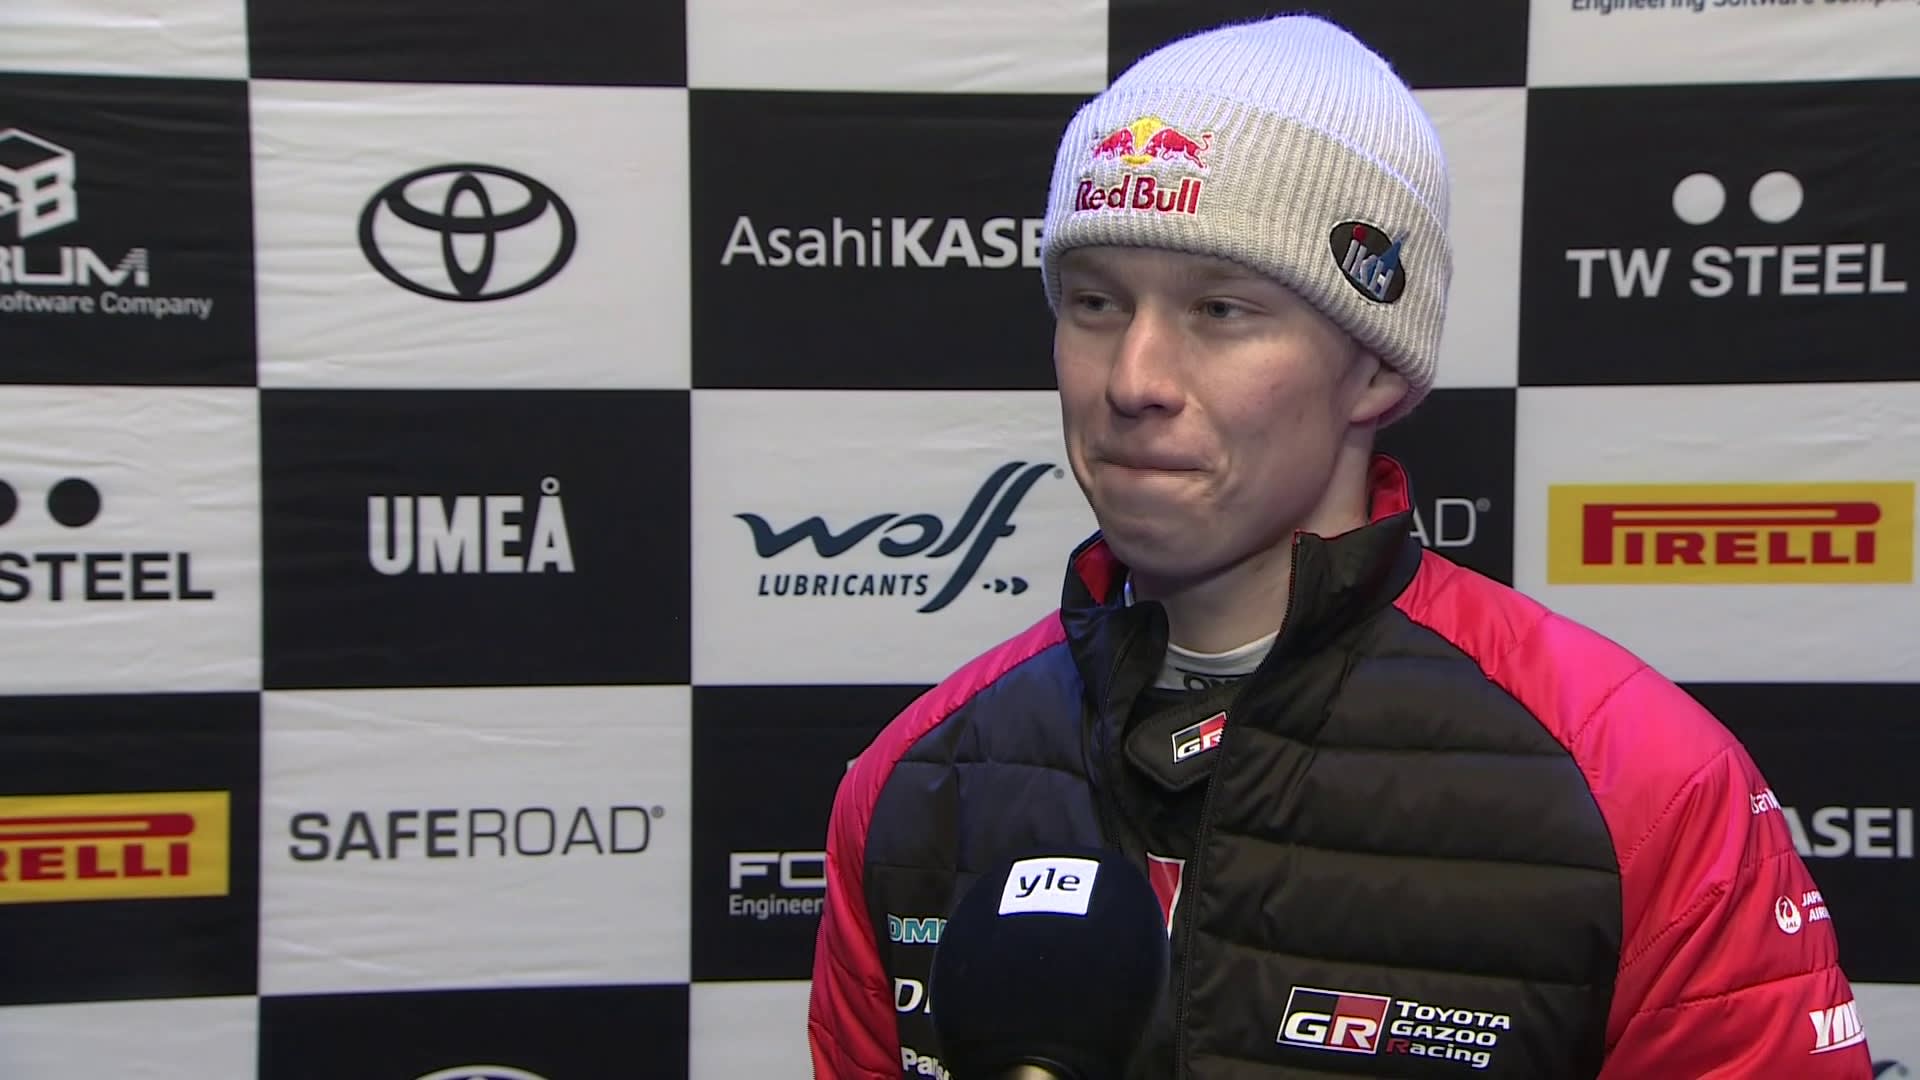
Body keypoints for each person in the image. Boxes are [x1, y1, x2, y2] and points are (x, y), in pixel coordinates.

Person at [807, 14, 1871, 1079]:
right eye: (1095, 302)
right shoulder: (914, 785)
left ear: (1375, 369)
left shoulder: (1643, 788)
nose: (1132, 379)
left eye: (1220, 309)